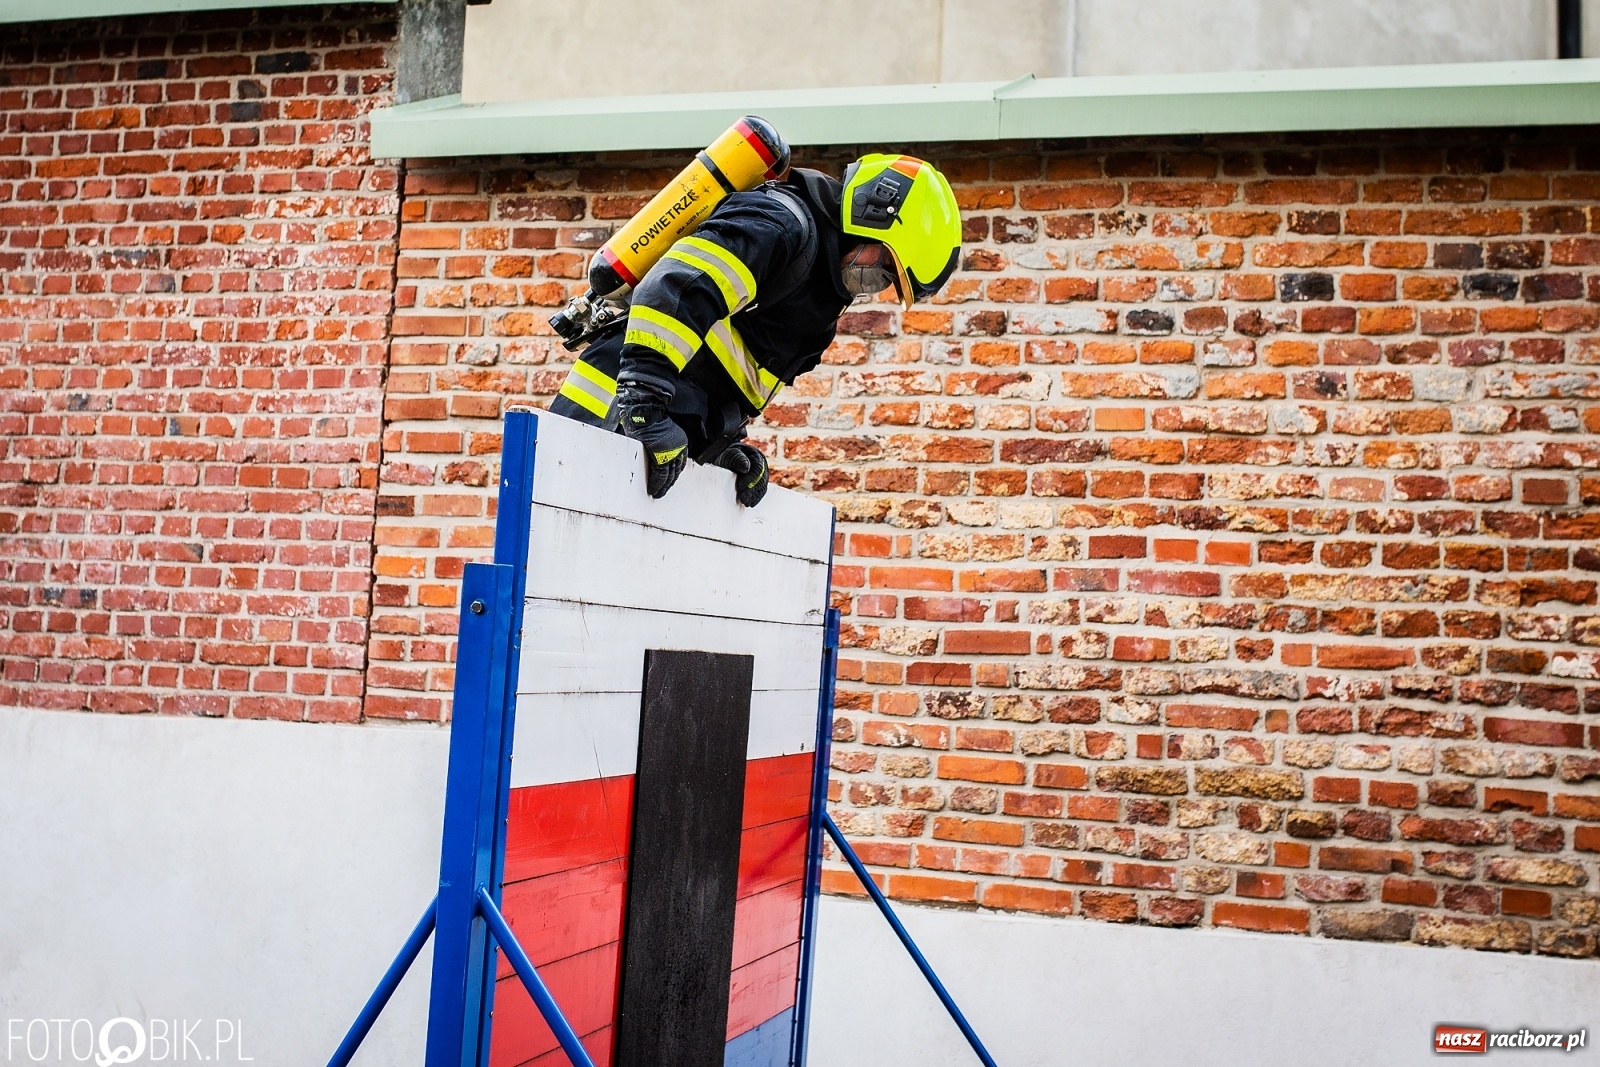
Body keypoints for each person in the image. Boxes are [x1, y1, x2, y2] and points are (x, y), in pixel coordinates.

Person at [548, 154, 962, 506]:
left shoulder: (821, 307)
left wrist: (723, 446)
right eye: (885, 265)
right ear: (871, 213)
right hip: (607, 414)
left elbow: (728, 372)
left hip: (652, 440)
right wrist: (645, 405)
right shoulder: (776, 226)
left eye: (889, 280)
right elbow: (675, 288)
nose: (878, 283)